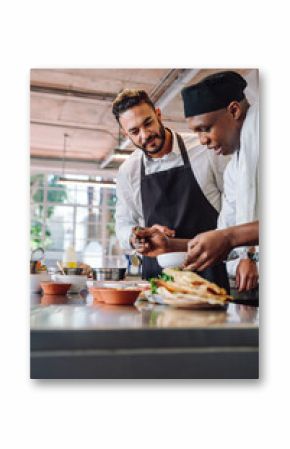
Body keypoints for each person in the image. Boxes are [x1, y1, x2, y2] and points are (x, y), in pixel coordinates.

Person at [112, 88, 231, 290]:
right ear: (126, 134)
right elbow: (123, 223)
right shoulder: (128, 171)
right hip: (158, 282)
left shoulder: (204, 149)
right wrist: (136, 237)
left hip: (208, 277)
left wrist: (247, 255)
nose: (145, 135)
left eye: (148, 123)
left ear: (158, 114)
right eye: (134, 131)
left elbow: (235, 204)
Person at [180, 70, 259, 292]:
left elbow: (228, 235)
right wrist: (170, 246)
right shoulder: (234, 169)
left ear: (234, 110)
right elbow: (225, 231)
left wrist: (231, 239)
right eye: (196, 132)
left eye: (205, 128)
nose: (202, 140)